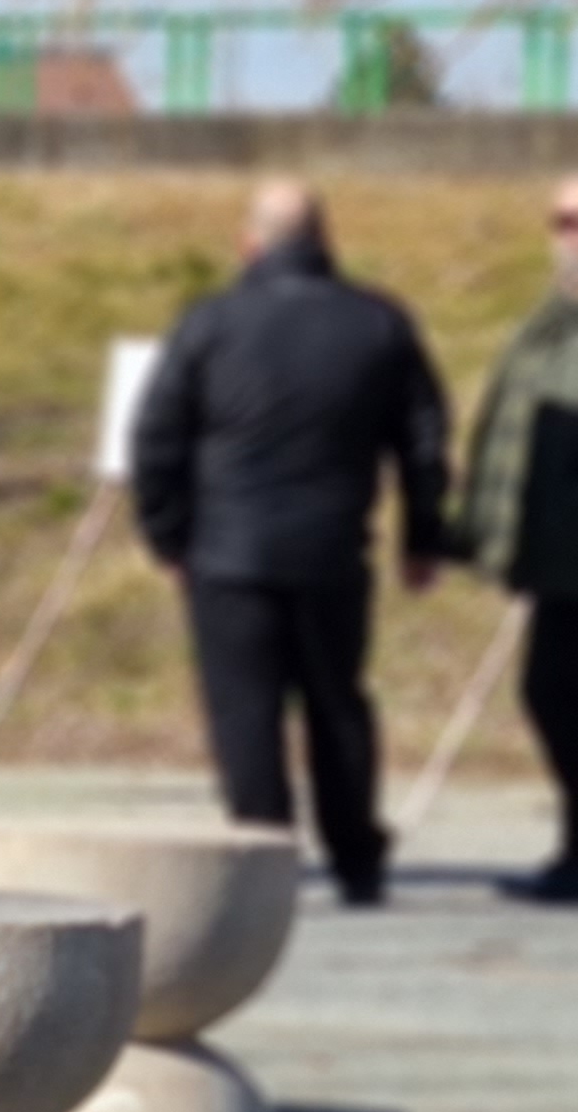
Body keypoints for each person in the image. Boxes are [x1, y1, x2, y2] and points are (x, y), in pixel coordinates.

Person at [134, 180, 453, 905]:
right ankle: (357, 857)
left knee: (244, 713)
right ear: (325, 241)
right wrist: (422, 535)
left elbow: (156, 438)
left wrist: (168, 534)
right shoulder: (378, 323)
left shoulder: (209, 324)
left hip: (228, 552)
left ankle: (264, 857)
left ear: (248, 242)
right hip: (333, 548)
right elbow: (424, 442)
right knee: (338, 705)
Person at [456, 176, 578, 903]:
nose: (568, 237)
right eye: (561, 221)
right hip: (556, 563)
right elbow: (506, 432)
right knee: (550, 695)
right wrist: (477, 532)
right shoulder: (547, 322)